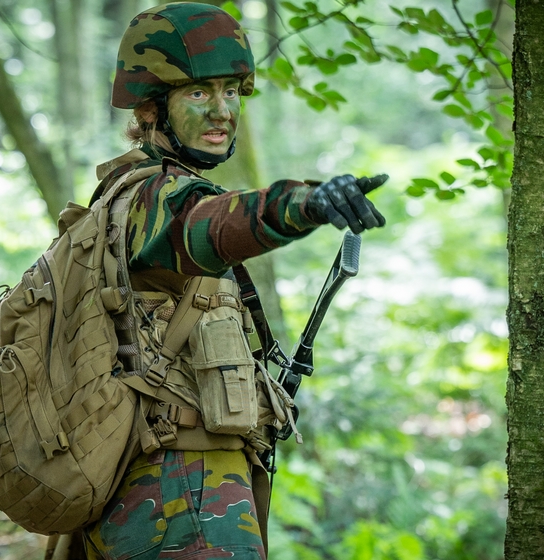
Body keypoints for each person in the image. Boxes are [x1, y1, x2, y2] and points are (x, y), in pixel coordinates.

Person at [82, 3, 387, 559]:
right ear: (152, 108)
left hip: (177, 487)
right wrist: (305, 204)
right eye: (199, 93)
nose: (223, 110)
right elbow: (214, 227)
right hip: (181, 494)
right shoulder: (153, 199)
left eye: (232, 91)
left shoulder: (133, 193)